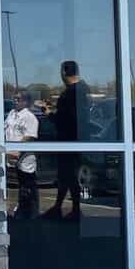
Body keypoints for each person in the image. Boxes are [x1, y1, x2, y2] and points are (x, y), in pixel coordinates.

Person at [43, 61, 90, 220]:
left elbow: (66, 119)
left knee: (69, 175)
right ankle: (58, 207)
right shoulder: (83, 90)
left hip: (70, 141)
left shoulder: (71, 93)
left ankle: (74, 210)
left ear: (64, 72)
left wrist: (49, 113)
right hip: (77, 140)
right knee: (65, 176)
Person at [5, 91, 39, 220]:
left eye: (18, 99)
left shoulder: (30, 117)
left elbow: (29, 137)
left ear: (25, 102)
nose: (15, 101)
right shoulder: (12, 114)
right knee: (18, 186)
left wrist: (17, 152)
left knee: (27, 186)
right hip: (10, 156)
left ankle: (30, 213)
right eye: (14, 98)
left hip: (24, 159)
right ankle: (20, 210)